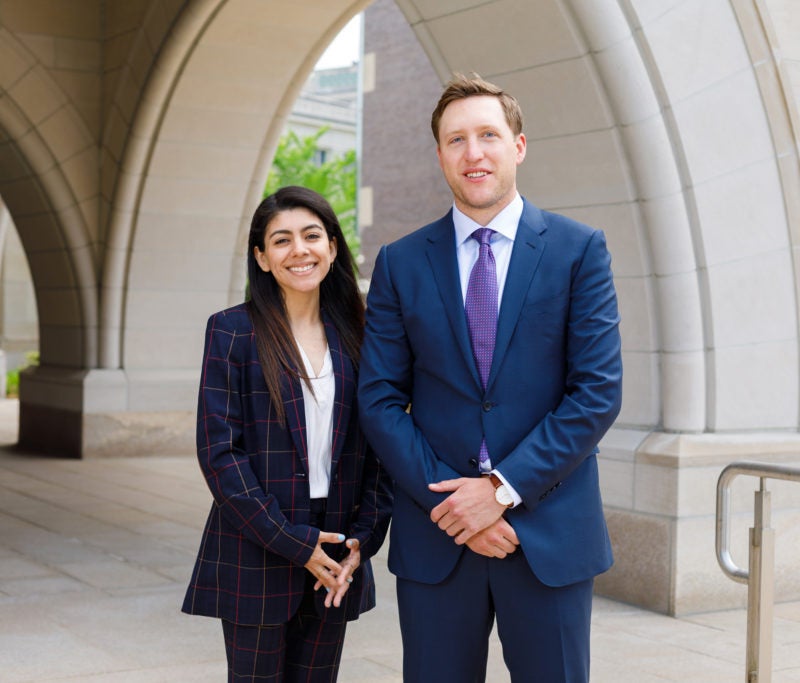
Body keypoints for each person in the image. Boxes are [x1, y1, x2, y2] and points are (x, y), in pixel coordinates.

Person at [357, 74, 623, 682]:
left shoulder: (578, 251)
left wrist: (499, 491)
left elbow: (597, 392)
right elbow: (377, 398)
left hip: (547, 535)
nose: (473, 153)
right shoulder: (400, 262)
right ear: (440, 155)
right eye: (456, 140)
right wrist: (453, 507)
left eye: (487, 136)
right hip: (438, 537)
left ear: (518, 146)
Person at [183, 185, 392, 682]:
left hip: (339, 545)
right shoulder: (232, 331)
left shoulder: (364, 334)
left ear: (333, 247)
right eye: (281, 240)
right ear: (261, 256)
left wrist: (364, 538)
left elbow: (383, 444)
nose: (299, 250)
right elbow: (220, 455)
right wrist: (296, 544)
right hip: (258, 543)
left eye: (312, 235)